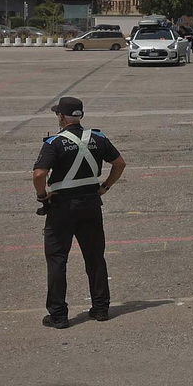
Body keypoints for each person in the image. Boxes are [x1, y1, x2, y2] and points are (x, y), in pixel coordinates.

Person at [33, 96, 126, 329]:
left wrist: (42, 196)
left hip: (62, 207)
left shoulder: (54, 142)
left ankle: (58, 315)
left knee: (57, 259)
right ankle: (101, 308)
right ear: (81, 115)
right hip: (91, 204)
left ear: (61, 117)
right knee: (95, 257)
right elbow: (120, 164)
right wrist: (105, 187)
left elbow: (39, 174)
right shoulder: (98, 138)